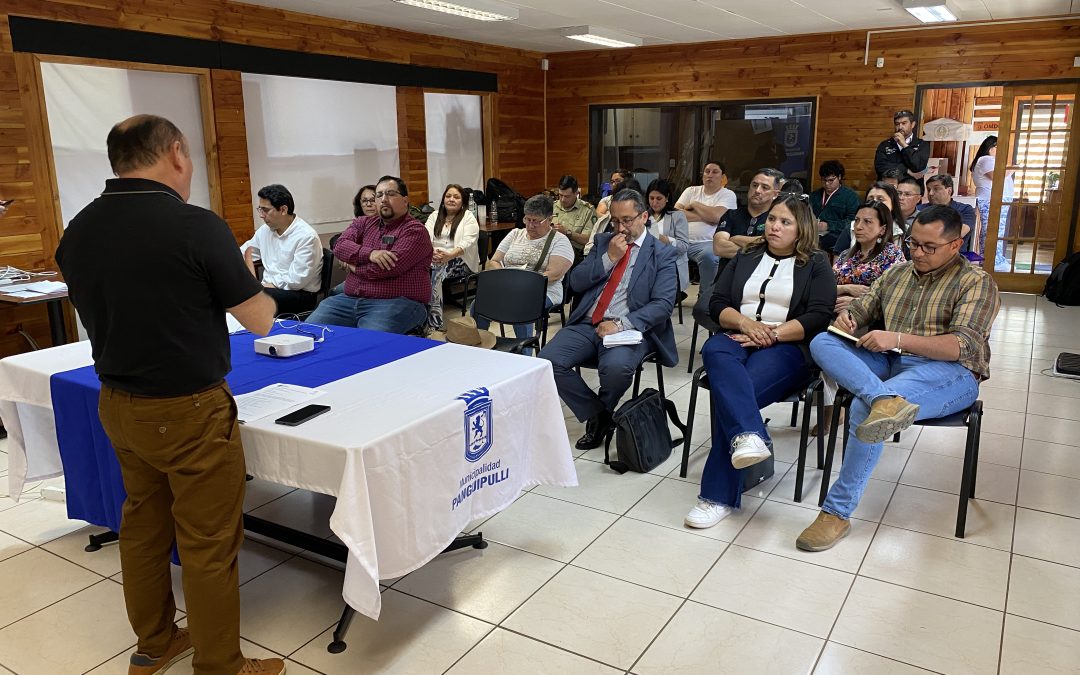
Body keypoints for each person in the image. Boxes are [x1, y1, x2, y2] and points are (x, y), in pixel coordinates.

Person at [55, 115, 282, 675]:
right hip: (189, 408)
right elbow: (259, 322)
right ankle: (219, 665)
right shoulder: (193, 225)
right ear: (176, 153)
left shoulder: (78, 229)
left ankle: (155, 643)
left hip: (117, 402)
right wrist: (254, 282)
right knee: (208, 542)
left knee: (142, 527)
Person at [798, 205, 1000, 552]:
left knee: (864, 410)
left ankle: (836, 512)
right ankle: (883, 399)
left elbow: (961, 346)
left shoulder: (976, 282)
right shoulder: (897, 274)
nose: (917, 252)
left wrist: (898, 339)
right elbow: (864, 309)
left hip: (949, 374)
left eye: (928, 247)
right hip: (888, 362)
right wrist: (849, 318)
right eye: (912, 243)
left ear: (955, 245)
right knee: (823, 341)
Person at [685, 185, 835, 528]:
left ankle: (716, 496)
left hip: (787, 347)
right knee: (713, 348)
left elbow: (818, 316)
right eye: (772, 219)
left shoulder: (816, 264)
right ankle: (749, 435)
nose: (774, 227)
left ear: (802, 230)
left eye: (785, 222)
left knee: (736, 394)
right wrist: (746, 324)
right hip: (737, 334)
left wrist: (772, 334)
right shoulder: (747, 255)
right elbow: (716, 302)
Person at [539, 188, 678, 449]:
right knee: (548, 362)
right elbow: (576, 282)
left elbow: (663, 305)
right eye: (615, 220)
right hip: (588, 322)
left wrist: (621, 323)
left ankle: (602, 411)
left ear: (644, 216)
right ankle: (598, 415)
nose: (620, 227)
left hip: (629, 328)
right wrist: (609, 258)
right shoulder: (605, 243)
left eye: (626, 220)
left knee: (615, 370)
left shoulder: (662, 254)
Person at [814, 200, 907, 436]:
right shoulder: (847, 255)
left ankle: (837, 407)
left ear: (882, 229)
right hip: (836, 313)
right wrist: (849, 290)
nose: (859, 226)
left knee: (833, 342)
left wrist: (855, 303)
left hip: (873, 322)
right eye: (856, 220)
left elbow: (893, 295)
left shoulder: (892, 255)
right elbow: (825, 288)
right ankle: (830, 404)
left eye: (867, 222)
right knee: (818, 335)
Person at [310, 175, 432, 333]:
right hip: (349, 300)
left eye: (391, 194)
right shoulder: (364, 223)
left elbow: (386, 268)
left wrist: (354, 267)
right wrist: (370, 254)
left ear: (405, 200)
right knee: (308, 333)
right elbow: (339, 245)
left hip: (395, 303)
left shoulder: (415, 230)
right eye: (379, 195)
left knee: (367, 346)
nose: (384, 199)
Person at [478, 194, 573, 341]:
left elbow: (553, 275)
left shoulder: (560, 241)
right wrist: (506, 280)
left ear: (549, 219)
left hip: (543, 291)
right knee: (480, 303)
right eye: (527, 219)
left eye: (536, 221)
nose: (529, 225)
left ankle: (525, 351)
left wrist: (521, 284)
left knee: (521, 305)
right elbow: (494, 261)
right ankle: (479, 344)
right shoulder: (516, 233)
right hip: (508, 287)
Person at [240, 183, 323, 315]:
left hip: (299, 294)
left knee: (246, 297)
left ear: (283, 210)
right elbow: (245, 253)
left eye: (265, 210)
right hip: (269, 289)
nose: (261, 215)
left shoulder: (306, 236)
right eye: (260, 209)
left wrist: (265, 285)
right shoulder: (265, 231)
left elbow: (297, 281)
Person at [676, 161, 737, 302]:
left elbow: (717, 217)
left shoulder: (727, 195)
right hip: (681, 240)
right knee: (660, 251)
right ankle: (671, 294)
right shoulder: (691, 191)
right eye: (707, 171)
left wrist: (695, 205)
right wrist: (706, 216)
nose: (710, 175)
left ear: (722, 176)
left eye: (715, 172)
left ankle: (705, 298)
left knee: (710, 256)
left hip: (708, 244)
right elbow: (675, 215)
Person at [424, 184, 480, 331]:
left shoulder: (468, 218)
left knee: (437, 270)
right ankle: (419, 315)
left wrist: (449, 255)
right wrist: (432, 252)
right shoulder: (434, 216)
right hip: (434, 256)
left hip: (461, 260)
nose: (451, 199)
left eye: (456, 197)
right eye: (448, 196)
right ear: (443, 199)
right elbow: (425, 237)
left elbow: (467, 242)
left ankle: (435, 323)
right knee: (415, 269)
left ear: (463, 201)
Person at [970, 136, 1016, 270]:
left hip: (995, 199)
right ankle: (993, 261)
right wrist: (1014, 167)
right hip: (991, 199)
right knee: (993, 230)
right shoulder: (986, 159)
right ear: (991, 148)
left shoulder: (989, 160)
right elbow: (997, 177)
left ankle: (989, 259)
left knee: (992, 230)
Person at [831, 182, 905, 255]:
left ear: (893, 204)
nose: (875, 202)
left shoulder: (904, 231)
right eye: (870, 199)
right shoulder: (851, 227)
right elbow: (837, 262)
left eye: (880, 199)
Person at [645, 178, 689, 294]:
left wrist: (661, 238)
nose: (654, 202)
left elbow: (683, 247)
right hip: (647, 261)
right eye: (651, 198)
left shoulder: (677, 216)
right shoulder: (643, 215)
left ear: (667, 198)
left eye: (659, 198)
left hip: (669, 263)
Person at [809, 160, 860, 253]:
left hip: (836, 235)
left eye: (831, 180)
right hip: (814, 232)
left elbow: (853, 222)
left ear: (839, 177)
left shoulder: (850, 197)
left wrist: (829, 226)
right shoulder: (814, 195)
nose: (827, 184)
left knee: (815, 244)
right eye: (824, 180)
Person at [922, 174, 975, 250]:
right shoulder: (920, 209)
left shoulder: (964, 209)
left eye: (936, 189)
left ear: (949, 190)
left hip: (955, 256)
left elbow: (960, 232)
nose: (930, 193)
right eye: (928, 190)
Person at [551, 174, 597, 262]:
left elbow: (589, 240)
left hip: (575, 255)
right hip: (551, 250)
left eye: (567, 196)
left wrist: (568, 233)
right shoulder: (552, 207)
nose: (563, 199)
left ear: (576, 193)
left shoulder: (587, 210)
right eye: (560, 195)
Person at [874, 109, 930, 180]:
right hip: (889, 187)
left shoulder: (922, 144)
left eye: (904, 123)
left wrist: (904, 145)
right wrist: (907, 170)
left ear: (912, 124)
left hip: (912, 187)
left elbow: (918, 166)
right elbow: (880, 167)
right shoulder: (885, 145)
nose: (900, 127)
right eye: (897, 124)